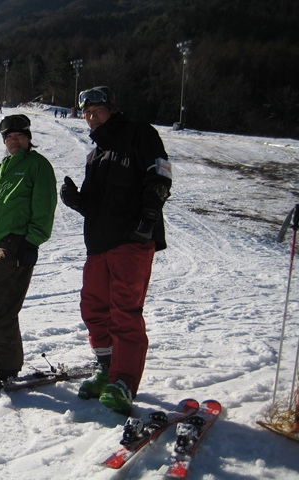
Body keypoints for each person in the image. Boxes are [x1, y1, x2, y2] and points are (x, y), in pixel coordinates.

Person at [60, 86, 172, 415]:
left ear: (112, 108)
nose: (91, 117)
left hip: (132, 239)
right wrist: (77, 201)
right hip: (98, 243)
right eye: (86, 113)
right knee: (93, 309)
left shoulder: (139, 134)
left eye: (97, 111)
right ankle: (107, 370)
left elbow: (160, 175)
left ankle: (124, 382)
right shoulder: (95, 155)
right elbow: (95, 204)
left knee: (125, 312)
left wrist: (149, 217)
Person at [0, 114, 57, 382]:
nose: (14, 141)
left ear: (29, 138)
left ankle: (4, 364)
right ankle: (5, 359)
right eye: (9, 137)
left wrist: (33, 241)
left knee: (1, 305)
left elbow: (45, 206)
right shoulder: (1, 168)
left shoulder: (38, 165)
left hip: (16, 244)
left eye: (19, 136)